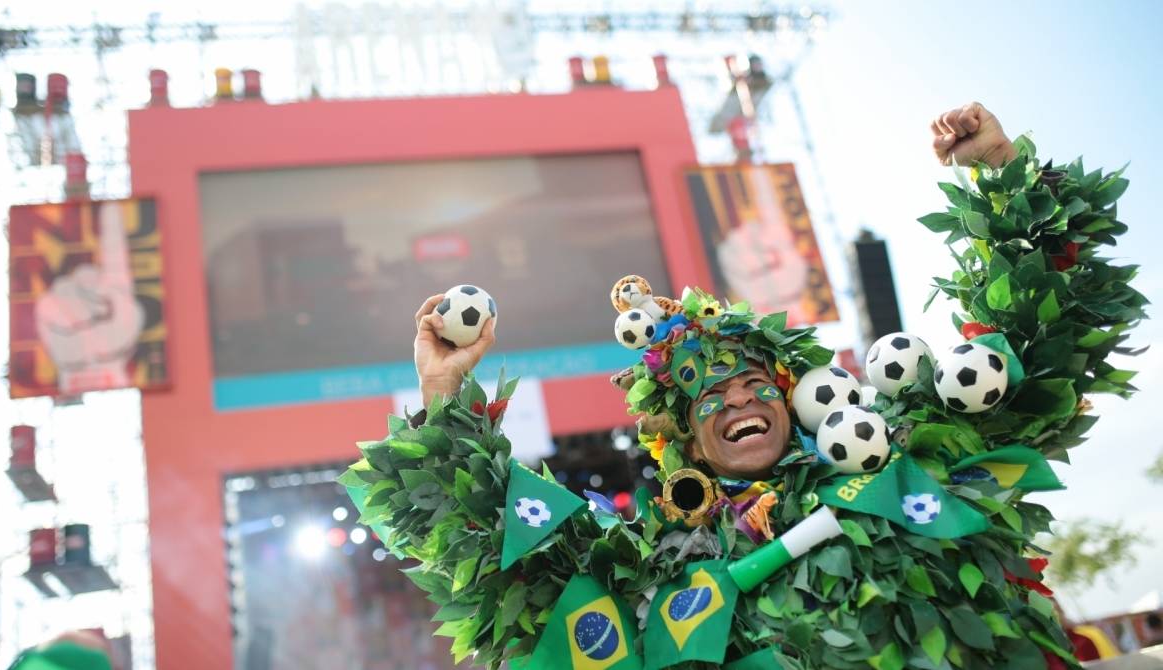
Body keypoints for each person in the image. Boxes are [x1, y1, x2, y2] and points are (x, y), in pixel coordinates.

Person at [348, 102, 1145, 669]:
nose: (734, 398)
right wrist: (445, 397)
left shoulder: (905, 461)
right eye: (705, 395)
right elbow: (495, 553)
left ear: (793, 396)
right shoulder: (654, 572)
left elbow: (1041, 347)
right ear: (684, 444)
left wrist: (998, 179)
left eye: (750, 381)